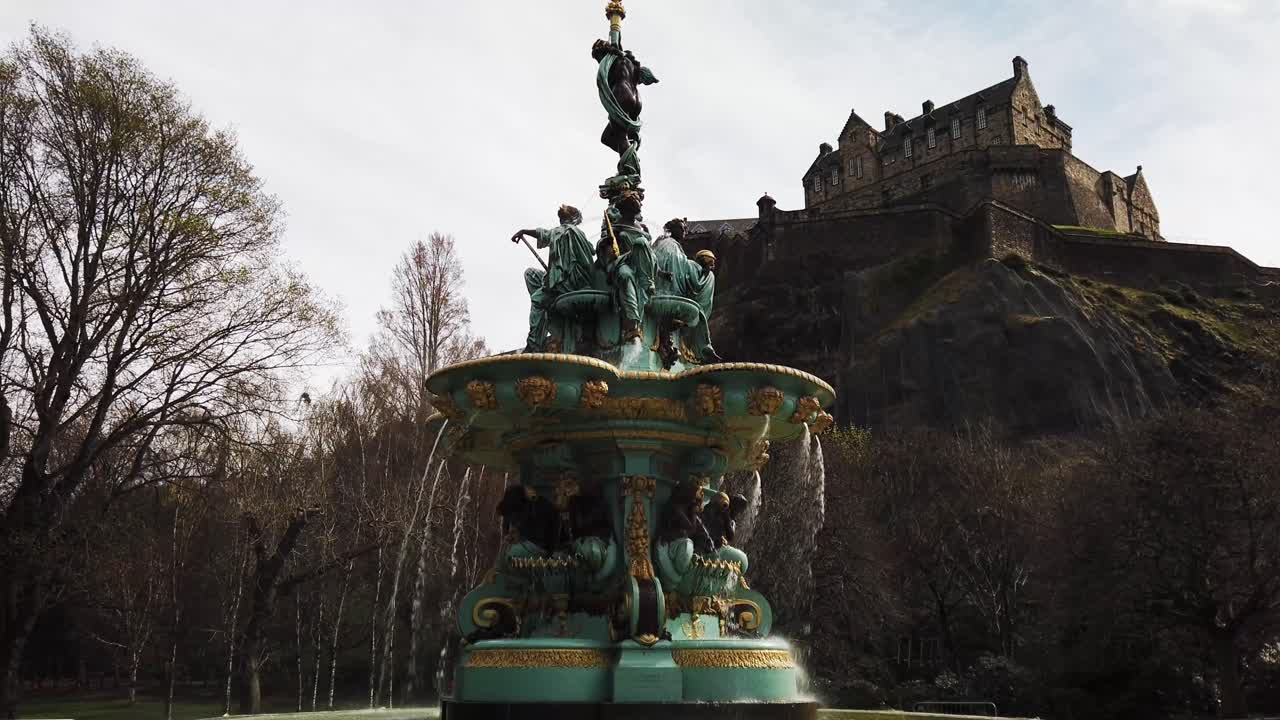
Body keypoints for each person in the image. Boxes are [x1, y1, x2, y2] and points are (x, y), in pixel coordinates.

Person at [511, 205, 595, 352]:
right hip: (569, 281)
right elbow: (589, 255)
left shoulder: (563, 231)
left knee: (537, 299)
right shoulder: (572, 232)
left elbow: (544, 234)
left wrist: (524, 231)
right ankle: (548, 317)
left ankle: (534, 345)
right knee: (531, 274)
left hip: (566, 283)